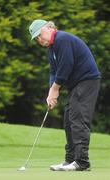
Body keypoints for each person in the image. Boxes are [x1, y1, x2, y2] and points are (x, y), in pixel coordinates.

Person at [29, 19, 101, 171]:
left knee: (78, 118)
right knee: (69, 119)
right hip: (76, 84)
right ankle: (70, 160)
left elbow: (65, 67)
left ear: (49, 28)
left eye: (40, 35)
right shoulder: (52, 49)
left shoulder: (62, 39)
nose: (39, 40)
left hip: (87, 80)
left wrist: (55, 90)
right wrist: (51, 92)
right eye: (37, 38)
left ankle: (82, 162)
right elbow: (54, 72)